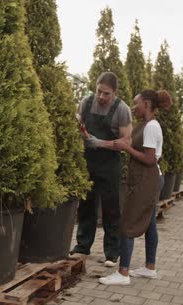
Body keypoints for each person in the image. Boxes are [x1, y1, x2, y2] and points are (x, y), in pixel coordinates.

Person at [98, 89, 172, 285]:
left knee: (127, 224)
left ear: (147, 104)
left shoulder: (151, 127)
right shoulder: (145, 125)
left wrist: (126, 148)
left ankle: (123, 274)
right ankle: (149, 268)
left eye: (136, 103)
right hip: (146, 179)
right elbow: (131, 143)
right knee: (149, 224)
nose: (133, 106)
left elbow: (149, 159)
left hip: (146, 180)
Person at [70, 72, 133, 267]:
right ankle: (82, 246)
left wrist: (100, 143)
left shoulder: (122, 109)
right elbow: (78, 123)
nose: (101, 97)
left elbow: (126, 141)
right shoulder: (86, 102)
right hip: (88, 161)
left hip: (109, 163)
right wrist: (78, 128)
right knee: (87, 205)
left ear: (115, 92)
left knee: (110, 208)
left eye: (106, 94)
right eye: (99, 91)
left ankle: (112, 252)